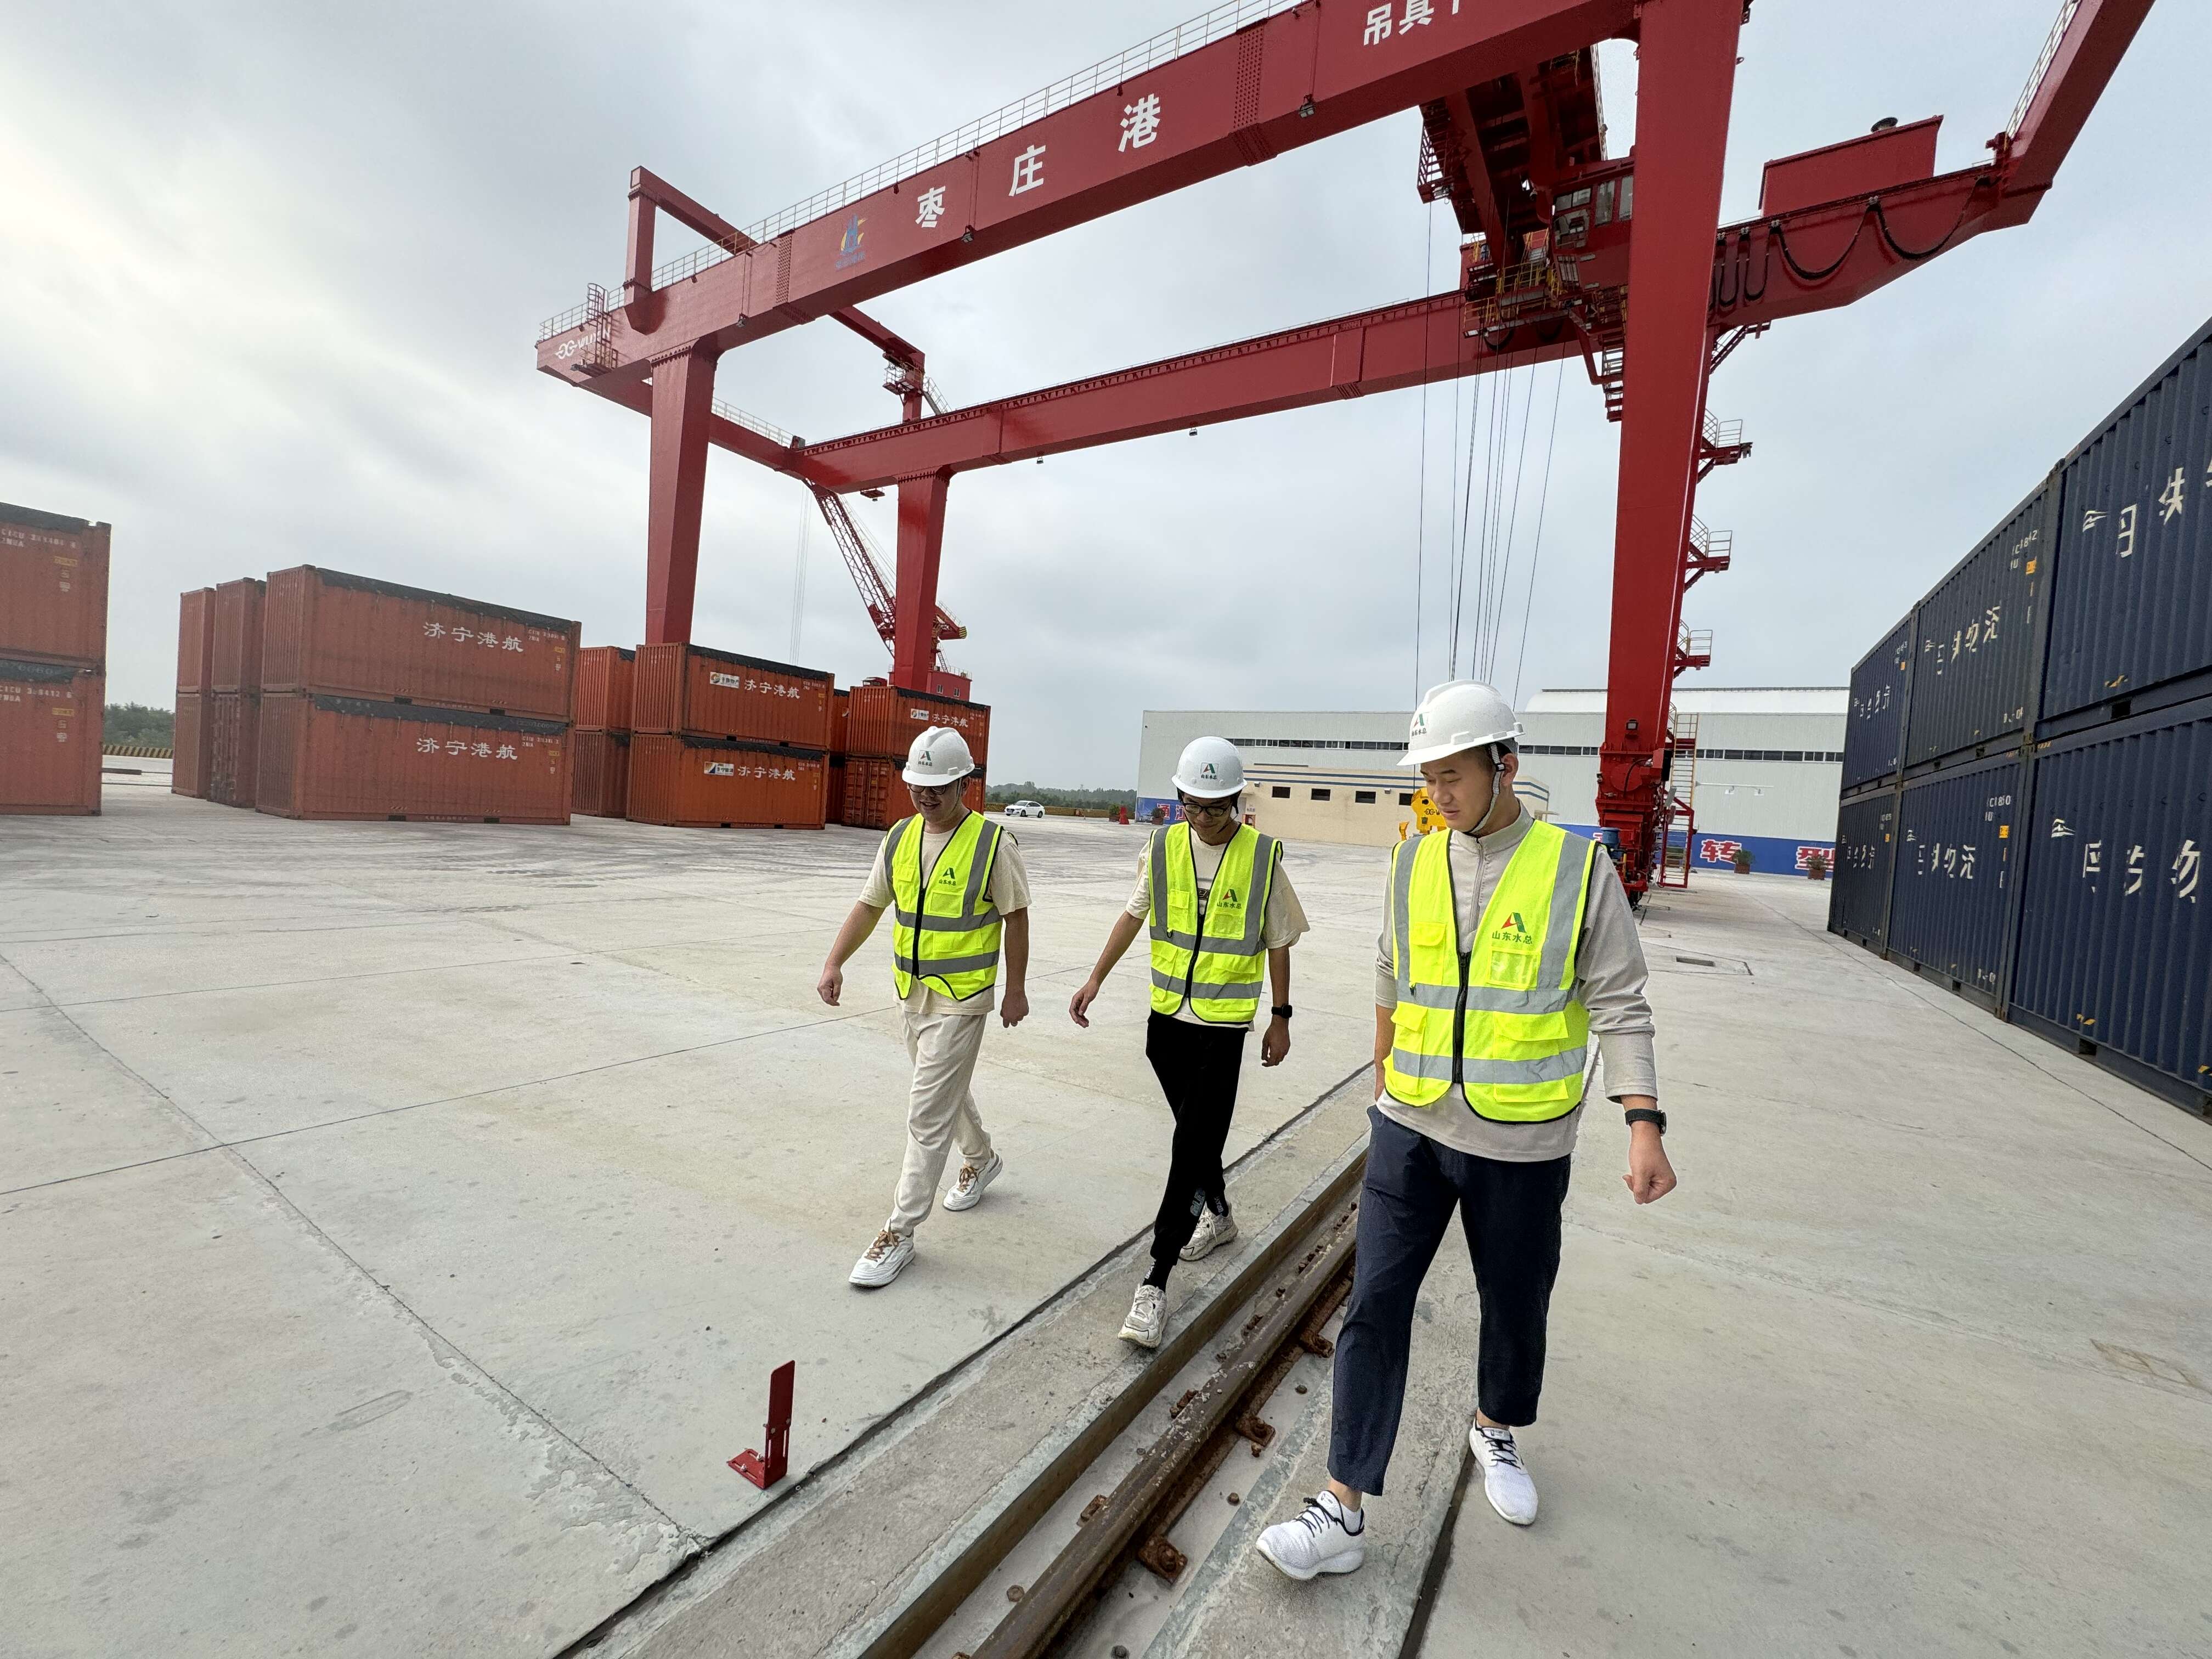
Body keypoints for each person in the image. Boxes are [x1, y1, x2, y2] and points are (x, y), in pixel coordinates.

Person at [1256, 680, 1675, 1581]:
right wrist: (1381, 1075)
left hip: (1521, 1139)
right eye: (1428, 776)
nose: (1436, 792)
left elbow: (1619, 999)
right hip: (1409, 1125)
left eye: (1452, 774)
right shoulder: (1412, 860)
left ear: (1504, 765)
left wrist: (1642, 1120)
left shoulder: (1575, 867)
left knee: (1515, 1303)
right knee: (1373, 1303)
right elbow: (1389, 969)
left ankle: (1495, 1428)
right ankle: (1341, 1505)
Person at [1068, 736, 1307, 1348]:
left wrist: (1280, 1016)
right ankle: (1219, 1213)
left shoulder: (1262, 857)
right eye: (1192, 806)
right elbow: (1133, 915)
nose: (1203, 818)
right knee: (1200, 1139)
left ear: (1237, 801)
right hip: (1168, 1020)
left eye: (1216, 808)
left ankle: (1156, 1279)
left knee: (1189, 1144)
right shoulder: (1162, 846)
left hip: (1223, 1027)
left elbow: (1279, 939)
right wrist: (1095, 978)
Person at [817, 725, 1031, 1288]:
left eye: (937, 786)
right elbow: (871, 904)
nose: (926, 795)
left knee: (925, 1112)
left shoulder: (993, 844)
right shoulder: (899, 838)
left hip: (963, 999)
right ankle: (982, 1160)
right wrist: (834, 961)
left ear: (964, 784)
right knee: (942, 1094)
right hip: (911, 993)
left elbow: (1016, 917)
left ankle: (900, 1232)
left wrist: (1015, 988)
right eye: (917, 785)